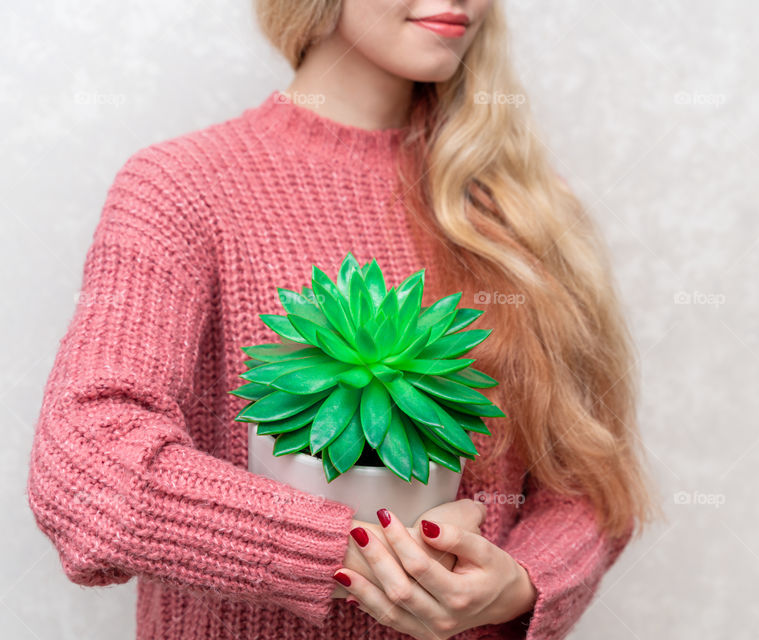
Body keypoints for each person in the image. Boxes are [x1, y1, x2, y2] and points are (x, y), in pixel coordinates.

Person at [26, 1, 658, 638]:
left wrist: (523, 580)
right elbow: (89, 462)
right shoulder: (181, 188)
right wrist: (347, 551)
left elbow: (589, 483)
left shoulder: (524, 206)